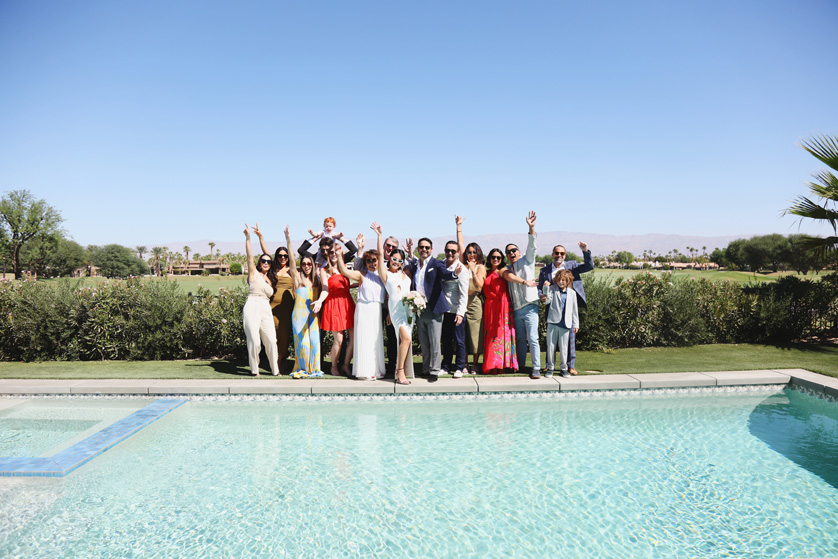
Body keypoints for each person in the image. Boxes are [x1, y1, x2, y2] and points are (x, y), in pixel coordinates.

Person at [405, 237, 461, 382]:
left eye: (427, 247)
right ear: (418, 249)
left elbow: (445, 273)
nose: (424, 249)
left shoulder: (436, 263)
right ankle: (425, 369)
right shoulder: (415, 264)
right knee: (424, 341)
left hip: (434, 308)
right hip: (419, 308)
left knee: (435, 341)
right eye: (421, 247)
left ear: (431, 249)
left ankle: (434, 371)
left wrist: (454, 274)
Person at [537, 242, 593, 375]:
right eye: (557, 253)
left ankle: (570, 366)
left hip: (569, 305)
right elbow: (540, 288)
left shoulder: (571, 265)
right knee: (551, 340)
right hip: (551, 306)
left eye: (562, 253)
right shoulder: (545, 270)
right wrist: (542, 296)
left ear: (565, 255)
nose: (559, 255)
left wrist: (585, 251)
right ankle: (548, 366)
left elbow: (589, 266)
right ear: (552, 255)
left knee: (570, 339)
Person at [372, 222, 414, 385]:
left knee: (405, 340)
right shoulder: (386, 274)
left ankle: (402, 369)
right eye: (393, 259)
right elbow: (381, 255)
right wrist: (379, 235)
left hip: (408, 312)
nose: (395, 261)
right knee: (406, 339)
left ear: (402, 262)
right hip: (396, 312)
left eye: (399, 260)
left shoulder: (406, 276)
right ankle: (400, 371)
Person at [335, 243, 386, 380]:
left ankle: (376, 369)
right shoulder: (361, 275)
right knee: (364, 340)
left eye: (374, 260)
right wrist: (340, 256)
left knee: (375, 340)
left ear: (378, 261)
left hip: (377, 310)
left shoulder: (383, 276)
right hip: (364, 309)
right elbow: (345, 272)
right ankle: (365, 371)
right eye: (368, 260)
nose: (372, 263)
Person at [355, 233, 403, 377]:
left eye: (393, 247)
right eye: (388, 245)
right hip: (373, 307)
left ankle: (391, 367)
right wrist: (360, 249)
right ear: (383, 247)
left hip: (389, 306)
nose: (390, 248)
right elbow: (357, 267)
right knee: (373, 336)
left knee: (391, 337)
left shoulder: (395, 264)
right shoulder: (373, 259)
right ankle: (370, 367)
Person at [482, 248, 534, 374]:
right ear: (489, 258)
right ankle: (491, 364)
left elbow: (510, 277)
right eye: (493, 257)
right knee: (490, 336)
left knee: (500, 335)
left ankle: (501, 365)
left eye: (498, 258)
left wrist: (523, 281)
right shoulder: (486, 272)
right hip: (489, 307)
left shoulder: (503, 271)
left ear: (502, 260)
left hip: (502, 307)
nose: (495, 259)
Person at [285, 227, 326, 378]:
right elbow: (291, 259)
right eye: (304, 264)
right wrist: (288, 240)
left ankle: (314, 369)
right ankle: (302, 368)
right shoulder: (297, 278)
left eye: (309, 264)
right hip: (299, 316)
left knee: (315, 342)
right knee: (303, 343)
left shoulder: (317, 280)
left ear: (313, 265)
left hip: (314, 316)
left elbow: (325, 292)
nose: (307, 266)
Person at [505, 211, 542, 379]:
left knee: (532, 338)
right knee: (520, 339)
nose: (512, 253)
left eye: (514, 250)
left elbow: (532, 246)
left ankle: (536, 368)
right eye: (509, 251)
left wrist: (531, 227)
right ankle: (520, 366)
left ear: (519, 252)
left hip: (530, 306)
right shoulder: (507, 270)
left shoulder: (527, 260)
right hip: (516, 309)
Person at [242, 224, 280, 377]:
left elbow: (268, 254)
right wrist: (248, 238)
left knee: (271, 341)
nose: (266, 262)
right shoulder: (254, 273)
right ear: (259, 263)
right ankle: (254, 370)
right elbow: (249, 255)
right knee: (255, 342)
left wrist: (261, 237)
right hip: (252, 305)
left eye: (268, 261)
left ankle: (275, 370)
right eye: (263, 261)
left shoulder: (271, 277)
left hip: (265, 308)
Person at [256, 225, 293, 372]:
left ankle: (281, 358)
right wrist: (260, 237)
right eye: (280, 256)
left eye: (285, 256)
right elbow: (266, 253)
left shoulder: (292, 270)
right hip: (271, 306)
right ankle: (274, 358)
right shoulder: (273, 268)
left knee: (284, 334)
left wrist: (288, 239)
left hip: (287, 307)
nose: (283, 258)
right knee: (273, 334)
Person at [319, 240, 359, 377]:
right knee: (339, 339)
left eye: (337, 251)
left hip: (347, 303)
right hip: (334, 304)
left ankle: (346, 365)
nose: (334, 254)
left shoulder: (345, 269)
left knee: (354, 338)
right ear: (328, 255)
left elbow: (348, 283)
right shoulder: (324, 271)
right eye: (331, 252)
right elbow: (325, 289)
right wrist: (319, 301)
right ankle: (334, 366)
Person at [456, 215, 486, 374]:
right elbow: (460, 245)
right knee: (463, 334)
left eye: (474, 252)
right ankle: (465, 363)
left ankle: (475, 363)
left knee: (475, 334)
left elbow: (479, 287)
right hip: (462, 302)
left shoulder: (480, 267)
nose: (471, 254)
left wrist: (473, 270)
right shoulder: (462, 263)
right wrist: (459, 226)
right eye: (469, 252)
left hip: (474, 302)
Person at [540, 269, 579, 378]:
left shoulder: (572, 293)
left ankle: (564, 368)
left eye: (563, 280)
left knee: (564, 348)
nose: (561, 282)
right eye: (559, 279)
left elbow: (575, 310)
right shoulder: (552, 289)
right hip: (553, 322)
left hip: (565, 324)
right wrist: (546, 288)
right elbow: (546, 301)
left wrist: (576, 324)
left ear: (568, 281)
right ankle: (550, 367)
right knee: (551, 346)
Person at [441, 240, 470, 378]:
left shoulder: (462, 270)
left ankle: (459, 367)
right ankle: (445, 366)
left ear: (458, 252)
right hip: (443, 310)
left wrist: (460, 313)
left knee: (459, 341)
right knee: (446, 340)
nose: (450, 253)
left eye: (453, 251)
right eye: (448, 250)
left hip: (456, 311)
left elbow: (464, 294)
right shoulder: (442, 264)